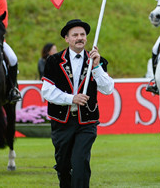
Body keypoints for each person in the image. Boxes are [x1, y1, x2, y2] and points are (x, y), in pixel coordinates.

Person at [42, 19, 114, 188]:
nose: (80, 38)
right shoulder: (54, 60)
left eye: (82, 34)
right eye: (75, 35)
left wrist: (96, 68)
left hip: (86, 122)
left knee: (81, 163)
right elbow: (46, 91)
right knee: (63, 166)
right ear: (67, 38)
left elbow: (108, 88)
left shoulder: (97, 60)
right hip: (61, 121)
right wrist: (71, 98)